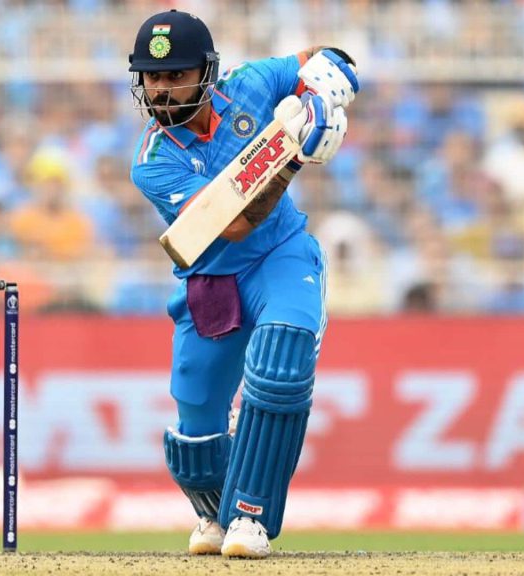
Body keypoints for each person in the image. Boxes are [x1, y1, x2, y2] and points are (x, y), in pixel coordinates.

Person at [127, 10, 358, 559]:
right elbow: (232, 223)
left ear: (207, 73)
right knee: (196, 433)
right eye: (152, 77)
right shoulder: (153, 162)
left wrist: (326, 94)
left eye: (175, 74)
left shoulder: (251, 83)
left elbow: (325, 60)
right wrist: (292, 153)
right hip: (210, 280)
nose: (161, 89)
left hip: (280, 256)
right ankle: (216, 512)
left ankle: (250, 517)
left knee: (281, 364)